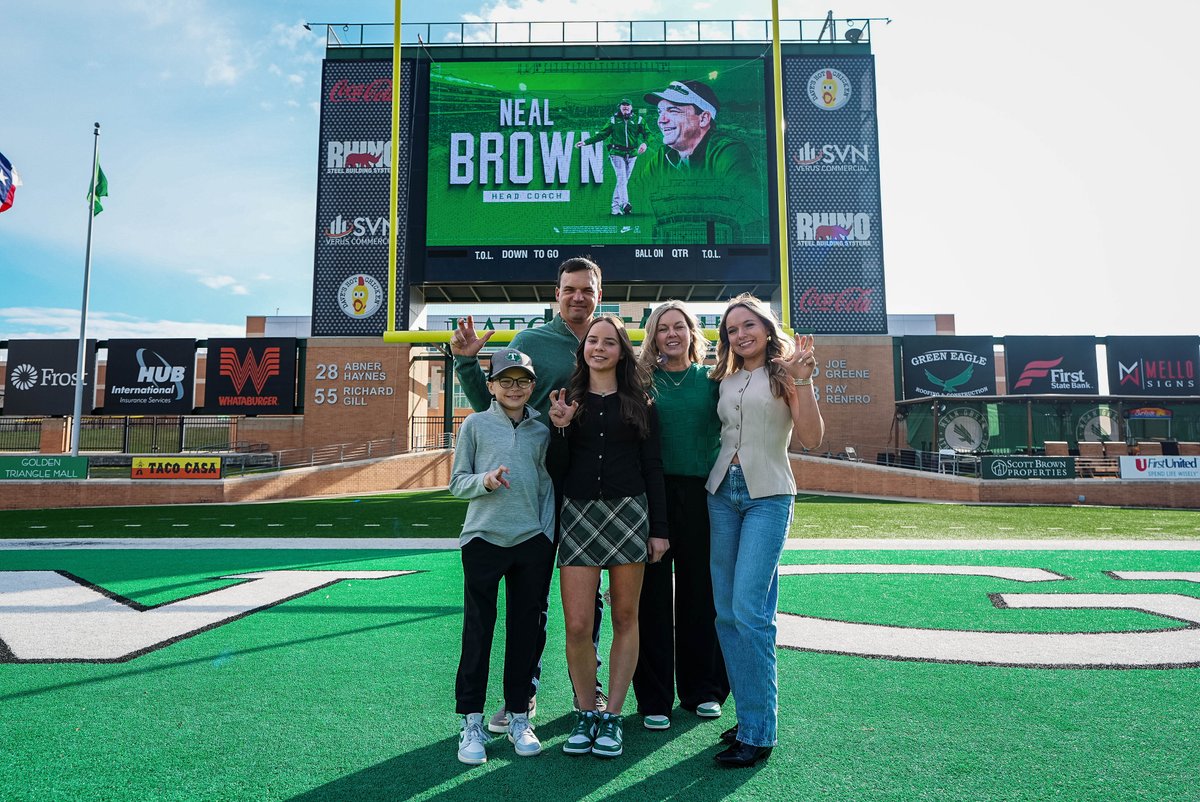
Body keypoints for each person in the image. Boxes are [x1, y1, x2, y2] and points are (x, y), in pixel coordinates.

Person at [450, 256, 608, 734]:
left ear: (599, 293)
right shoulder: (531, 342)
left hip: (595, 483)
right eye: (569, 289)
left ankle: (590, 686)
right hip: (536, 485)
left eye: (586, 289)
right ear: (555, 294)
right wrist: (465, 364)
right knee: (529, 602)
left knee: (589, 591)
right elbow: (495, 409)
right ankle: (525, 695)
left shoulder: (610, 341)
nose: (577, 297)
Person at [705, 293, 824, 768]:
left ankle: (759, 730)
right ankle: (750, 713)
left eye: (748, 325)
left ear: (766, 327)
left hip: (769, 496)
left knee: (751, 612)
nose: (740, 335)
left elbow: (813, 438)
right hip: (720, 495)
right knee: (727, 615)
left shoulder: (787, 373)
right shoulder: (725, 378)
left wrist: (805, 380)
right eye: (731, 329)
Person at [546, 314, 668, 758]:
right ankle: (585, 710)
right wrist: (560, 428)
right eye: (592, 341)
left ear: (622, 351)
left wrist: (659, 530)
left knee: (624, 618)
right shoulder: (566, 399)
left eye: (609, 342)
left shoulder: (642, 404)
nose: (598, 347)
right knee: (578, 624)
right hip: (577, 516)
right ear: (583, 350)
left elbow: (652, 469)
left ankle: (613, 716)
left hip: (629, 514)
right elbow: (555, 469)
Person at [449, 348, 556, 765]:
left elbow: (547, 487)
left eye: (523, 381)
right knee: (479, 630)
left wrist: (546, 535)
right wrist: (486, 482)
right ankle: (471, 720)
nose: (514, 388)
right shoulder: (475, 424)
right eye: (506, 381)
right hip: (482, 539)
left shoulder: (541, 430)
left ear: (533, 387)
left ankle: (517, 716)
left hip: (531, 540)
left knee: (525, 632)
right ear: (490, 386)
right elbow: (457, 482)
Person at [631, 301, 729, 731]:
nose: (671, 334)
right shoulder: (640, 383)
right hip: (651, 496)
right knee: (650, 598)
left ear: (692, 333)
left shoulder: (712, 382)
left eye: (679, 327)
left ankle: (703, 690)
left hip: (701, 494)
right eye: (662, 328)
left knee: (699, 594)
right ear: (652, 337)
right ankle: (654, 698)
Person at [637, 79, 764, 242]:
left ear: (704, 118)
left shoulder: (729, 152)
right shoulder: (664, 155)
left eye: (673, 111)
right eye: (660, 111)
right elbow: (638, 196)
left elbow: (752, 214)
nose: (661, 120)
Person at [575, 98, 649, 216]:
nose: (625, 107)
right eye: (623, 105)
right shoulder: (613, 120)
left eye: (627, 105)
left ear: (631, 107)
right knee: (621, 178)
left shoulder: (639, 120)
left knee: (623, 181)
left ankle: (615, 208)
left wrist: (645, 143)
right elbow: (602, 134)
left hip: (632, 154)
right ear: (620, 107)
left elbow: (648, 134)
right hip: (617, 153)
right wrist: (585, 142)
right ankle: (625, 204)